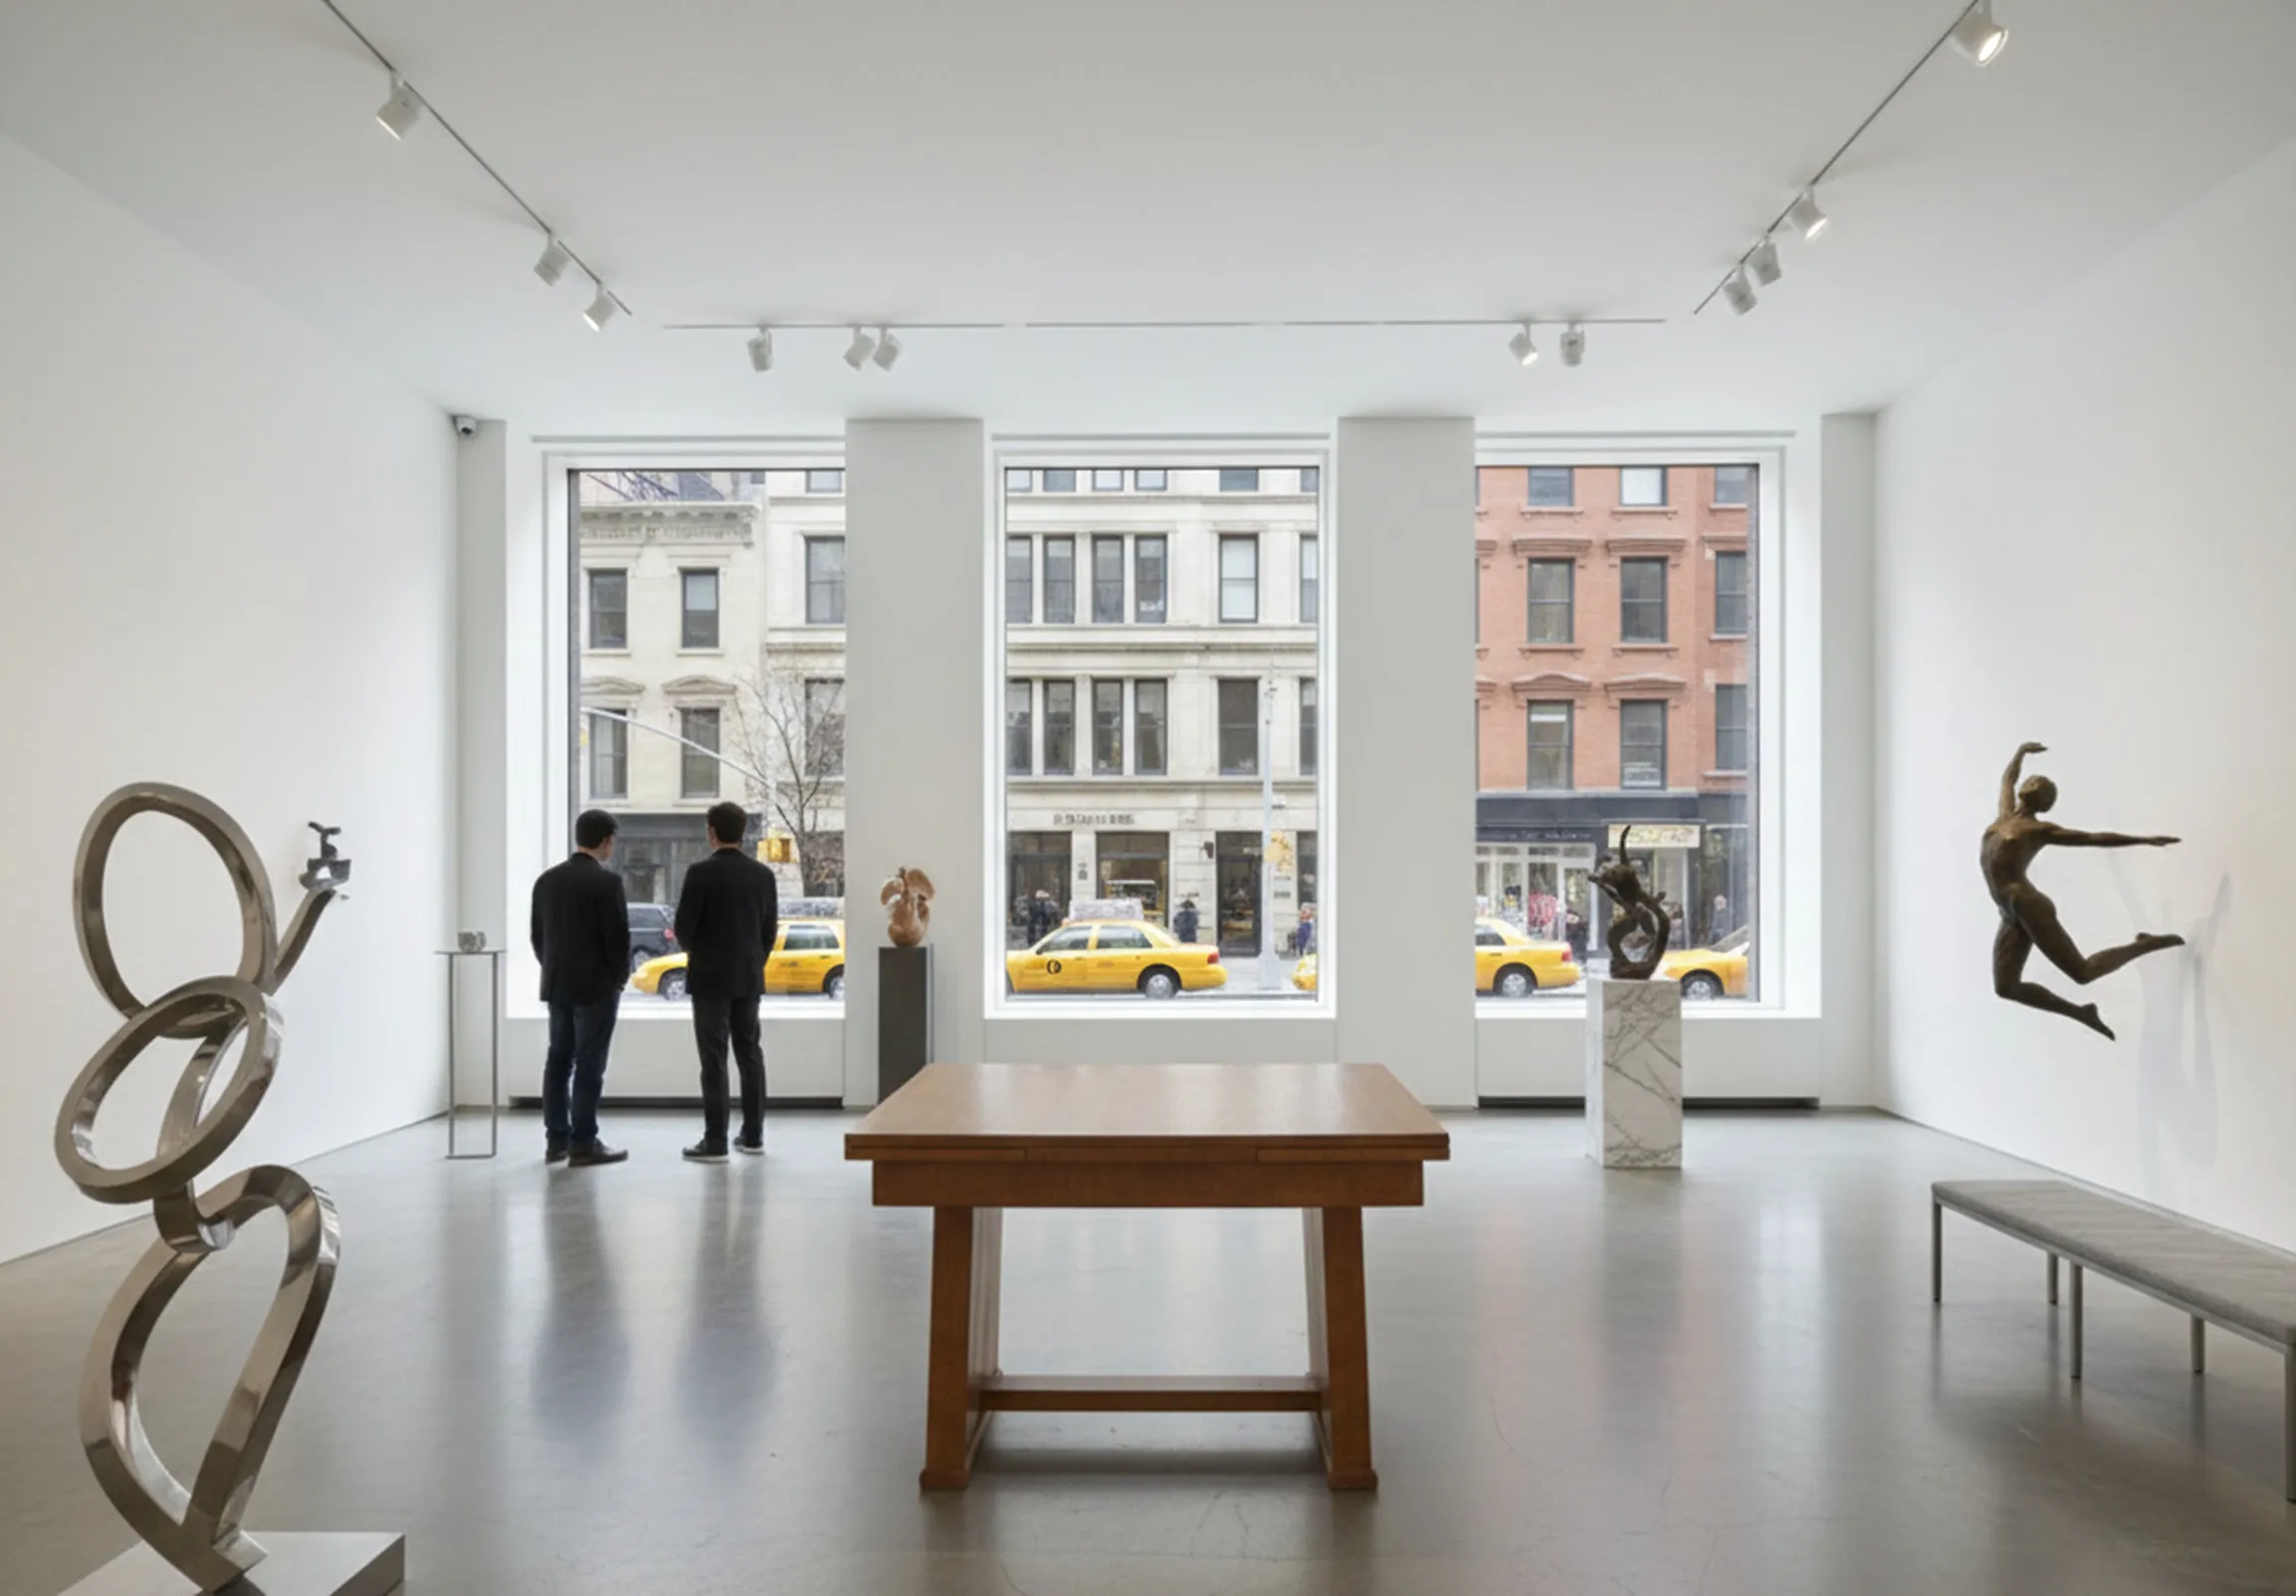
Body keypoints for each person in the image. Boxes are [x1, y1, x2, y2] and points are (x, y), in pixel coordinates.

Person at [1981, 741, 2181, 1040]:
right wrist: (2020, 752)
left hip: (2028, 906)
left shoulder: (2040, 831)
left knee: (2083, 972)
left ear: (2044, 803)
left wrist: (2144, 840)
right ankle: (2081, 1012)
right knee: (2006, 987)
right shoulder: (2003, 815)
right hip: (2009, 911)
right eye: (2035, 780)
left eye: (2044, 787)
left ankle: (2143, 944)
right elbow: (2007, 778)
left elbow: (2093, 838)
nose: (2037, 783)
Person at [674, 802, 779, 1161]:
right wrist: (752, 961)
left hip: (708, 977)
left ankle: (715, 1140)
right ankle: (753, 1136)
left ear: (712, 832)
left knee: (713, 1059)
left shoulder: (700, 873)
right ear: (743, 832)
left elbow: (684, 929)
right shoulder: (763, 876)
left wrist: (700, 952)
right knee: (750, 1054)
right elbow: (769, 931)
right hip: (748, 975)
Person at [529, 809, 631, 1167]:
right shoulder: (607, 883)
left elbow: (538, 936)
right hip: (596, 988)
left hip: (558, 985)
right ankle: (584, 1142)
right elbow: (617, 939)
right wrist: (619, 979)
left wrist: (552, 968)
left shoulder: (547, 881)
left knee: (558, 1061)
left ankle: (556, 1140)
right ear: (606, 841)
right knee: (590, 1064)